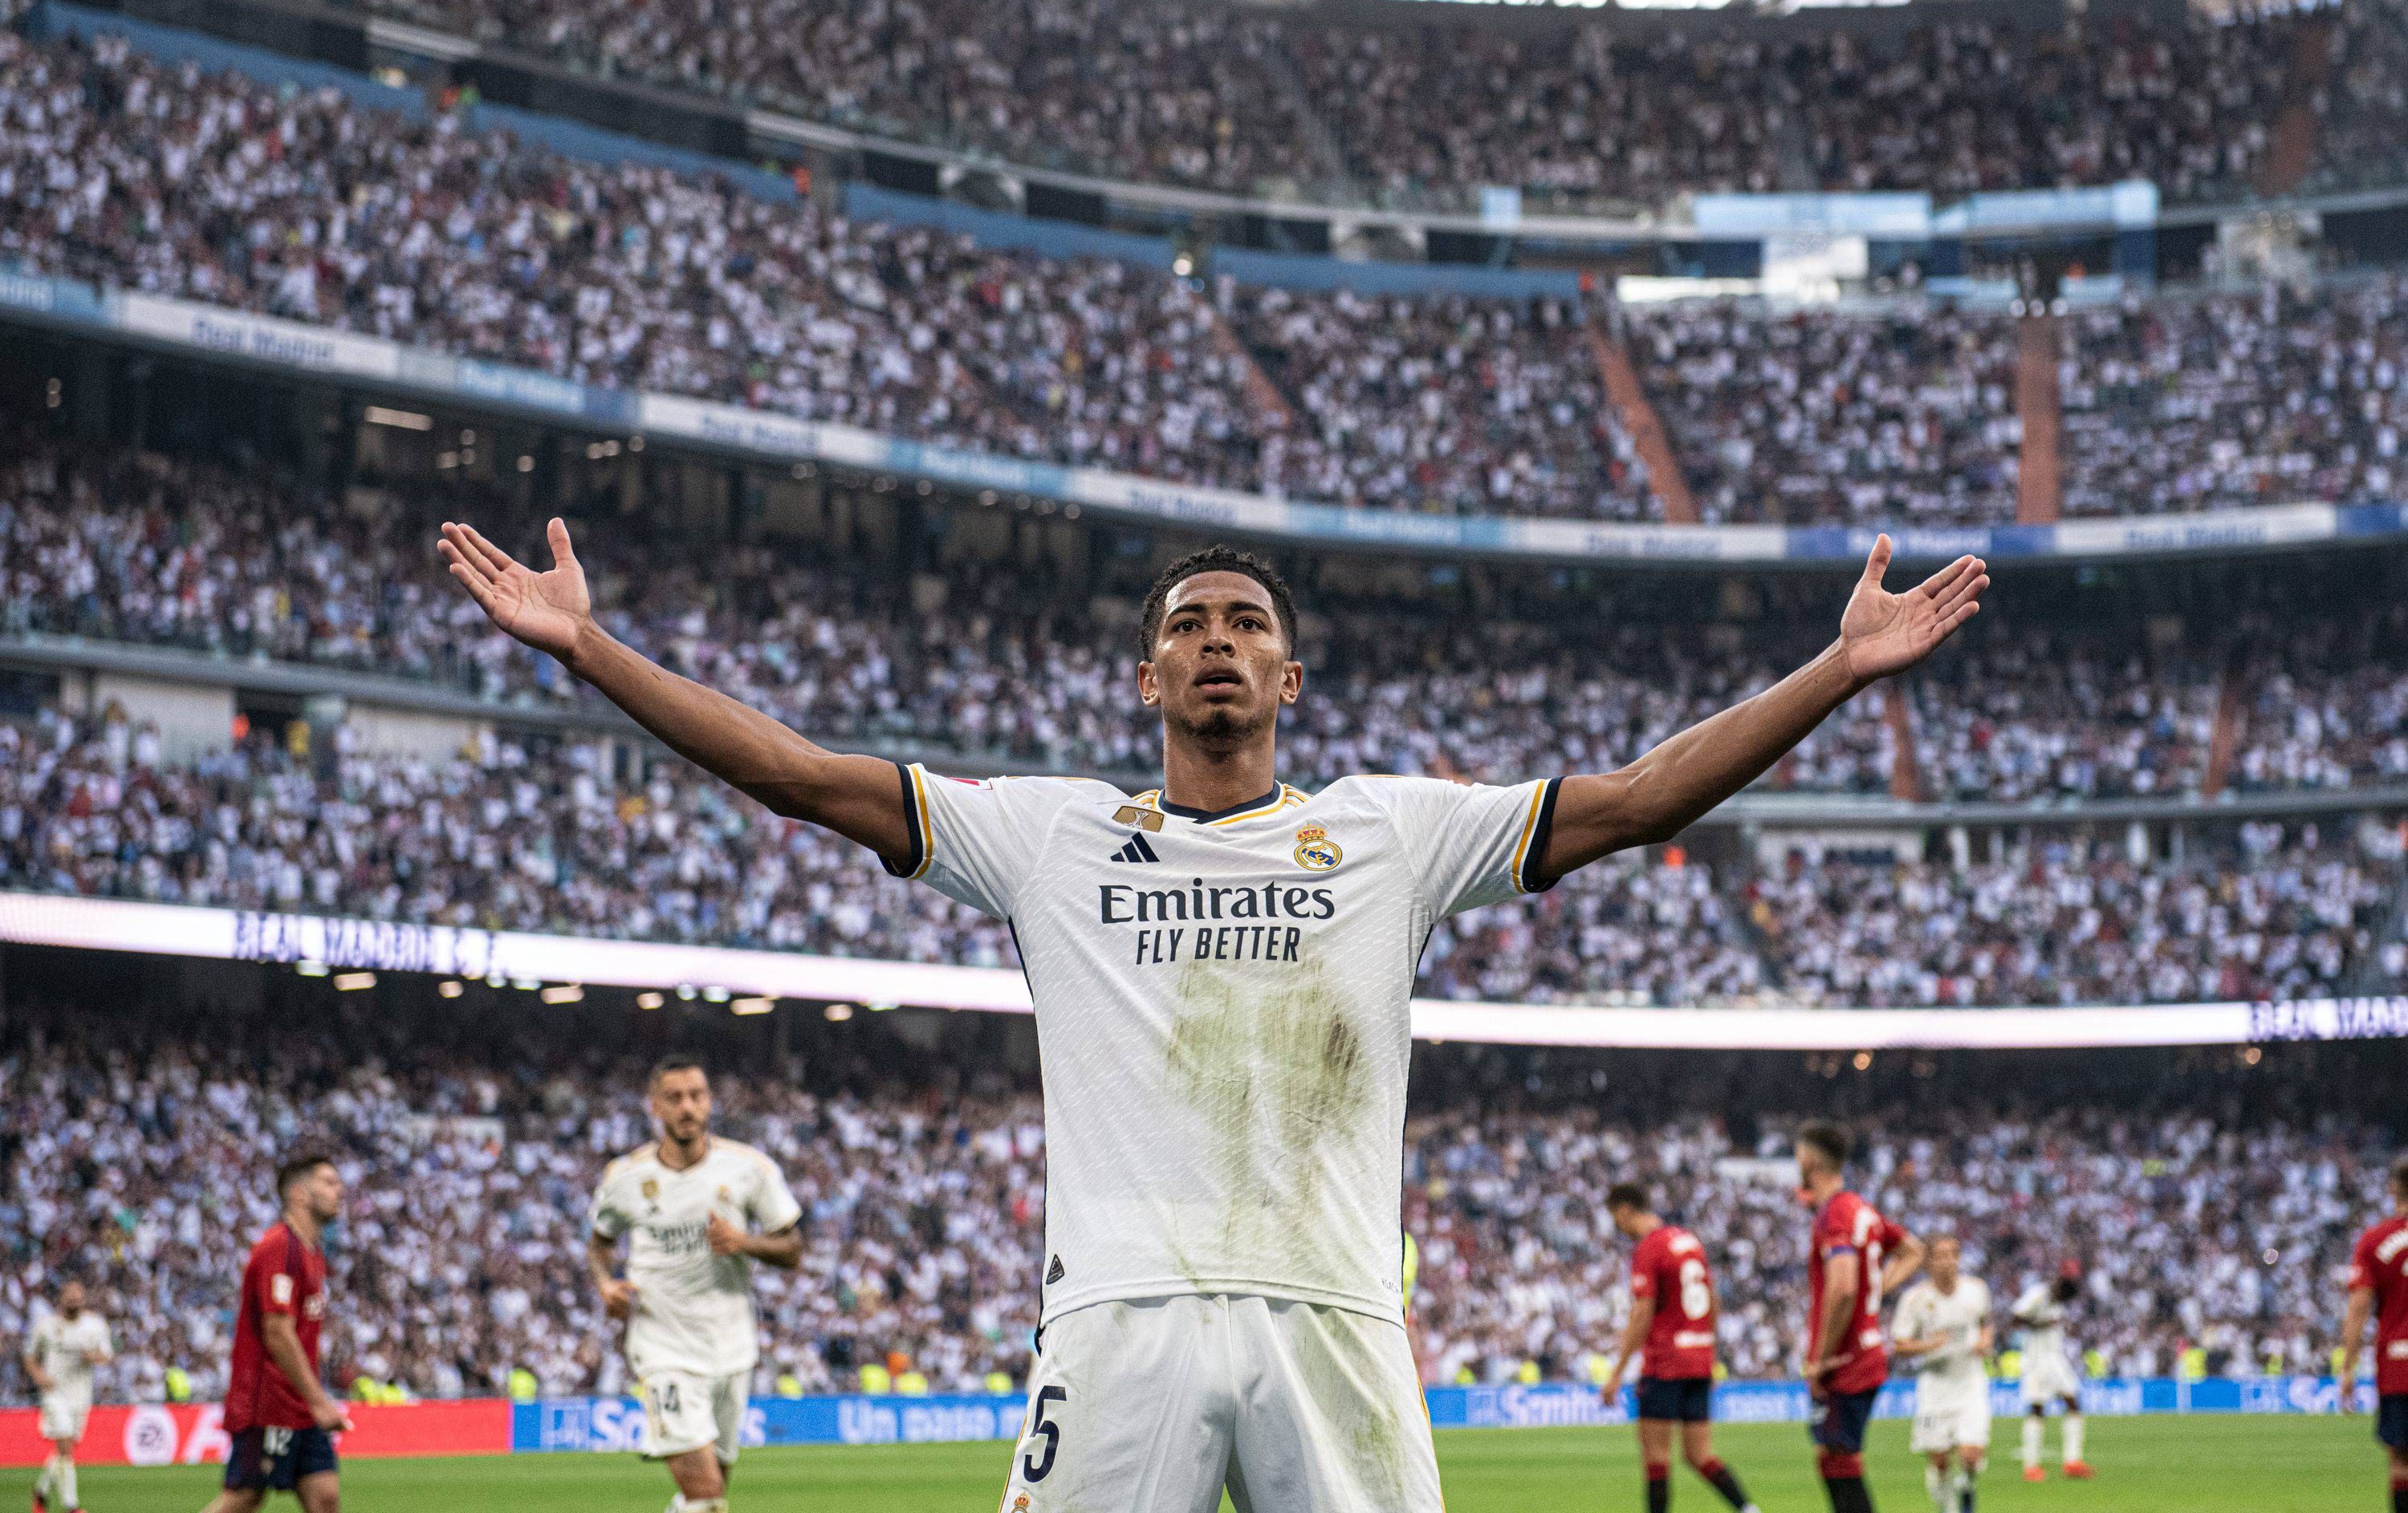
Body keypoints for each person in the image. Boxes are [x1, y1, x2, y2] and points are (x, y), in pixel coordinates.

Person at [438, 516, 1985, 1511]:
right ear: (1147, 676)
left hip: (1335, 1324)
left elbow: (1644, 801)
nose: (1219, 641)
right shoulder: (1049, 837)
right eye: (1189, 624)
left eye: (1245, 622)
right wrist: (589, 649)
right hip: (1117, 1321)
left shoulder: (1393, 829)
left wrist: (1837, 670)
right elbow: (798, 774)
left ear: (1291, 678)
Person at [588, 1058, 803, 1513]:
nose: (687, 1107)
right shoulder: (625, 1177)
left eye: (696, 1095)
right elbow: (600, 1243)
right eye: (674, 1097)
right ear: (655, 1107)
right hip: (662, 1343)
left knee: (706, 1493)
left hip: (732, 1343)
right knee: (706, 1496)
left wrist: (743, 1241)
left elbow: (794, 1249)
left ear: (709, 1101)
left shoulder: (748, 1169)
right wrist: (606, 1284)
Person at [201, 1154, 348, 1513]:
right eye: (328, 1182)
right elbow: (277, 1331)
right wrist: (318, 1401)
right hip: (266, 1402)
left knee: (325, 1496)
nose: (339, 1189)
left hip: (299, 1403)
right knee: (244, 1497)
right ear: (299, 1194)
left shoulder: (312, 1251)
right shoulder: (278, 1246)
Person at [1604, 1182, 1760, 1513]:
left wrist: (1617, 1372)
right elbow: (1712, 1300)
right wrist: (1711, 1354)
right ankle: (1749, 1510)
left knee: (1657, 1459)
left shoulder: (1649, 1248)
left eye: (1616, 1220)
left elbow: (1642, 1311)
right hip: (1699, 1358)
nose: (1618, 1228)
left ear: (1625, 1211)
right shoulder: (1689, 1241)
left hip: (1666, 1363)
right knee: (1699, 1455)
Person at [1797, 1121, 1926, 1513]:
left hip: (1846, 1360)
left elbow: (1844, 1287)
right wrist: (1879, 1289)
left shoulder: (1834, 1214)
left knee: (1840, 1461)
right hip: (1865, 1352)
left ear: (1811, 1161)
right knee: (1835, 1460)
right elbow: (1913, 1250)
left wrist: (1820, 1358)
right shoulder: (1861, 1210)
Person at [1890, 1236, 1992, 1513]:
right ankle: (1947, 1508)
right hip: (1935, 1386)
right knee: (1939, 1460)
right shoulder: (1915, 1299)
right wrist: (1928, 1345)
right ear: (1928, 1262)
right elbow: (1899, 1345)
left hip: (1970, 1381)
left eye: (1953, 1254)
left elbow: (1985, 1322)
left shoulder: (1976, 1290)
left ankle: (1967, 1487)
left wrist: (1985, 1341)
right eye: (1941, 1256)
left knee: (1971, 1455)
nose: (1948, 1261)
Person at [2340, 1153, 2408, 1513]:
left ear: (2393, 1187)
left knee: (2400, 1459)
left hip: (2398, 1365)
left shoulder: (2374, 1240)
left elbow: (2359, 1308)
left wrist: (2347, 1367)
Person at [25, 1279, 111, 1513]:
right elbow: (29, 1356)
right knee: (64, 1446)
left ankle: (40, 1492)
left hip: (80, 1395)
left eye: (78, 1294)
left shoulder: (95, 1325)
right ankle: (71, 1506)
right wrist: (39, 1376)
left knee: (65, 1451)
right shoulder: (47, 1326)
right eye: (69, 1294)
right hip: (54, 1394)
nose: (74, 1298)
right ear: (61, 1298)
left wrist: (92, 1356)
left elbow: (106, 1355)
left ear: (83, 1298)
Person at [2010, 1262, 2091, 1480]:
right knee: (2037, 1407)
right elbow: (2015, 1317)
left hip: (2055, 1357)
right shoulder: (2038, 1295)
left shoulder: (2058, 1301)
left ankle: (2072, 1461)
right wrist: (2041, 1324)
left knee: (2073, 1401)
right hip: (2036, 1359)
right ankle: (2031, 1466)